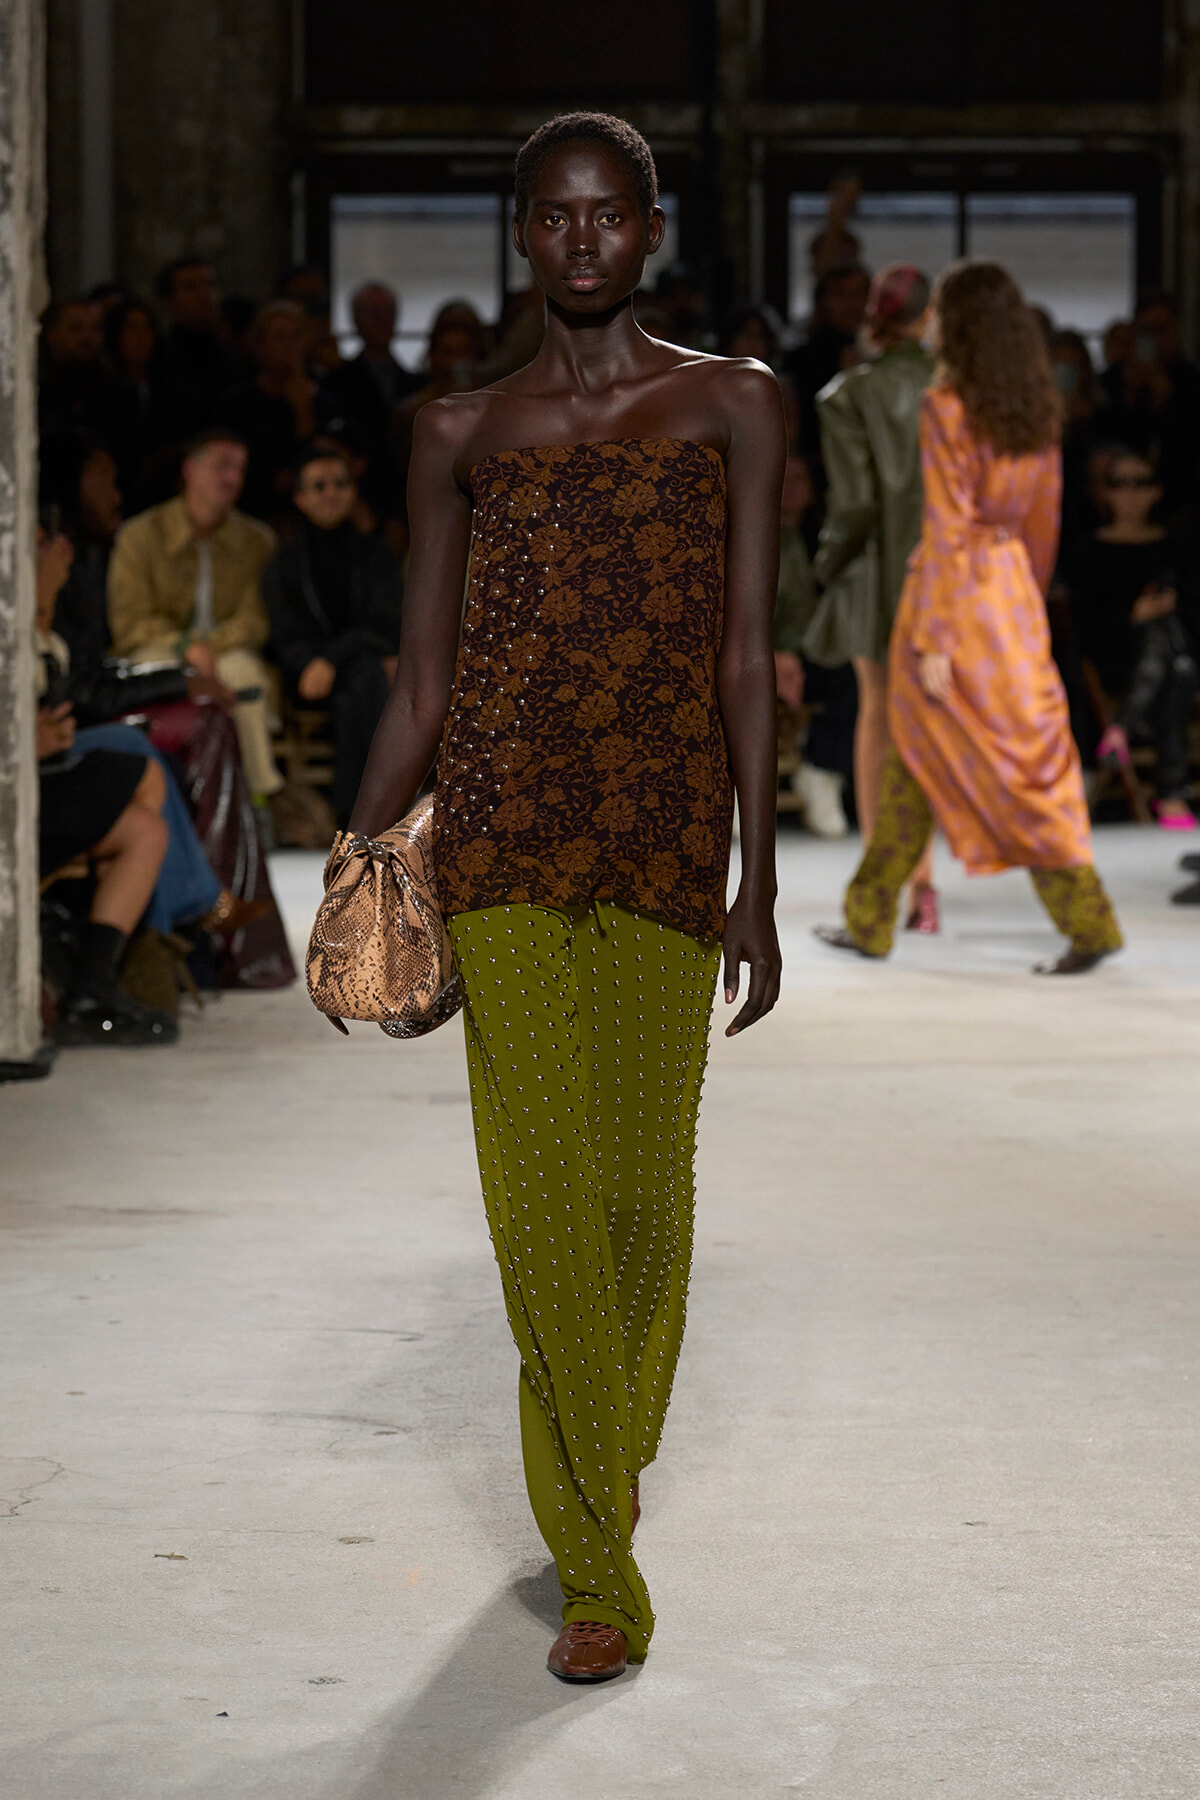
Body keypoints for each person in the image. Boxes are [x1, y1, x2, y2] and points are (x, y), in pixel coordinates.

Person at [345, 111, 784, 1681]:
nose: (583, 240)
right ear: (522, 234)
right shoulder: (459, 430)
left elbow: (745, 650)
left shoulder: (735, 405)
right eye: (555, 216)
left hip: (670, 839)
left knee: (640, 1200)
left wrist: (763, 878)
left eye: (610, 215)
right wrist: (358, 857)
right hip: (509, 843)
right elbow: (420, 675)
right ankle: (598, 1567)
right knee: (540, 1195)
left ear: (650, 226)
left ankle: (610, 1436)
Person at [816, 259, 1123, 976]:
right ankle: (871, 918)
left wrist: (933, 638)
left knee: (929, 761)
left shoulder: (947, 406)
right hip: (1011, 595)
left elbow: (947, 529)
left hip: (950, 600)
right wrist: (1021, 604)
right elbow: (1042, 526)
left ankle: (1082, 920)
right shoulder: (1037, 412)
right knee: (996, 763)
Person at [808, 263, 938, 926]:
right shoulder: (957, 388)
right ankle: (925, 882)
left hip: (874, 572)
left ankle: (883, 890)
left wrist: (825, 564)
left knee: (879, 718)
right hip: (946, 573)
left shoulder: (846, 395)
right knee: (935, 722)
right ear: (928, 313)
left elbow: (855, 504)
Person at [36, 530, 177, 1047]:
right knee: (137, 768)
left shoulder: (40, 629)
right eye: (41, 545)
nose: (59, 553)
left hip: (38, 783)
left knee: (145, 827)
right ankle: (116, 954)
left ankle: (93, 981)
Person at [105, 428, 288, 817]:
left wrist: (211, 647)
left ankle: (256, 800)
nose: (232, 478)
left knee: (245, 674)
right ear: (190, 469)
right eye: (222, 465)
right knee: (150, 671)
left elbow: (255, 619)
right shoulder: (141, 535)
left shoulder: (256, 540)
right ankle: (153, 794)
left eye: (239, 468)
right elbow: (129, 620)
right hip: (160, 647)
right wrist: (184, 645)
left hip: (226, 652)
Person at [263, 447, 402, 824]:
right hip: (305, 674)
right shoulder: (285, 562)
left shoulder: (374, 553)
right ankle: (369, 812)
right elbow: (285, 633)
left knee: (366, 678)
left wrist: (331, 660)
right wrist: (314, 663)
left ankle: (354, 814)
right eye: (319, 485)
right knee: (363, 680)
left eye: (340, 483)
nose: (331, 493)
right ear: (300, 498)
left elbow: (384, 624)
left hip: (360, 665)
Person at [1060, 448, 1197, 826]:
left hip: (1172, 655)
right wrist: (1132, 616)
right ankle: (1171, 793)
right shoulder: (1088, 550)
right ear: (1105, 493)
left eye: (1142, 483)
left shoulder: (1176, 547)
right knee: (1177, 662)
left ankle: (1121, 727)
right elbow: (1084, 620)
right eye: (1120, 483)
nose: (1132, 492)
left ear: (1157, 492)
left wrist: (1168, 607)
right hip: (1112, 656)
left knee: (1178, 659)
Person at [770, 453, 855, 836]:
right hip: (760, 648)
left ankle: (821, 770)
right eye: (784, 478)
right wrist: (773, 652)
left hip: (813, 650)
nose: (792, 488)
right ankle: (732, 787)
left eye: (800, 478)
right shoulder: (750, 533)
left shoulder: (824, 535)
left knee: (854, 676)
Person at [218, 300, 316, 524]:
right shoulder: (235, 404)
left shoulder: (326, 400)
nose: (289, 345)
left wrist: (304, 410)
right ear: (260, 344)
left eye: (295, 336)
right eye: (279, 337)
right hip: (252, 514)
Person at [153, 257, 243, 443]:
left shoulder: (236, 358)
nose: (204, 294)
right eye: (190, 287)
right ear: (169, 301)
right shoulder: (157, 358)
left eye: (209, 285)